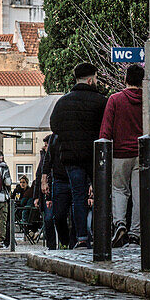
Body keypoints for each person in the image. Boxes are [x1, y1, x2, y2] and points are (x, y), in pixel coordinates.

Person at [49, 62, 107, 249]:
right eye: (96, 78)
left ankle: (81, 237)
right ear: (90, 80)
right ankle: (101, 235)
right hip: (95, 157)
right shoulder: (101, 101)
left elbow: (55, 128)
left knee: (78, 197)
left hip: (71, 158)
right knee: (101, 195)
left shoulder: (62, 102)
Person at [101, 63, 145, 247]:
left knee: (119, 190)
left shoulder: (115, 99)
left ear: (125, 79)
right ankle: (135, 233)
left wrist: (103, 150)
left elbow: (106, 129)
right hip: (142, 153)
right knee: (139, 193)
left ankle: (119, 224)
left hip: (120, 153)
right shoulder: (148, 99)